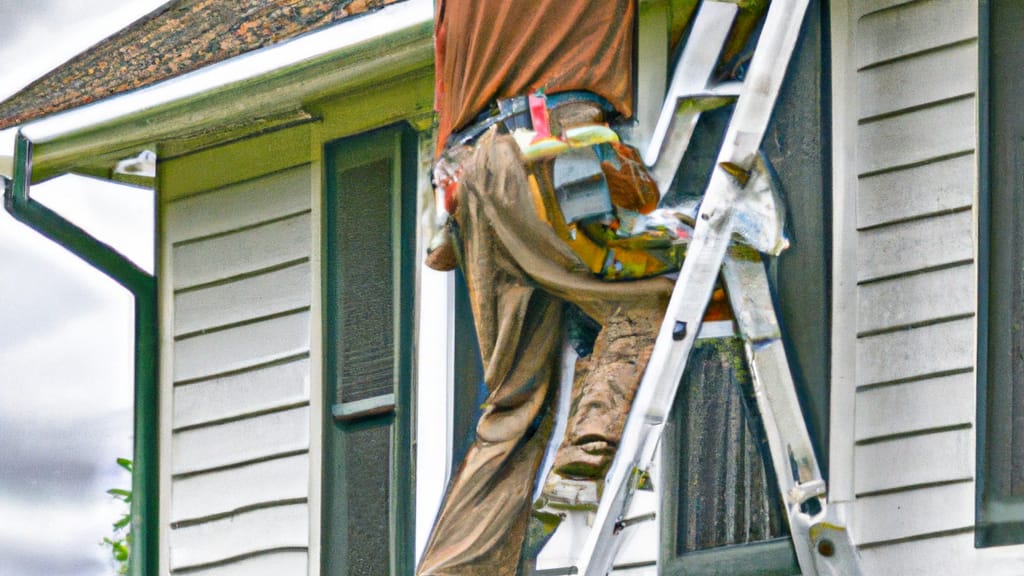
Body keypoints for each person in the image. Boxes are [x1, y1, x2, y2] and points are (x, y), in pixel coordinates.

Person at [418, 1, 679, 573]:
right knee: (658, 297)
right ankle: (586, 450)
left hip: (472, 170)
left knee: (514, 402)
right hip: (554, 144)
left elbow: (443, 65)